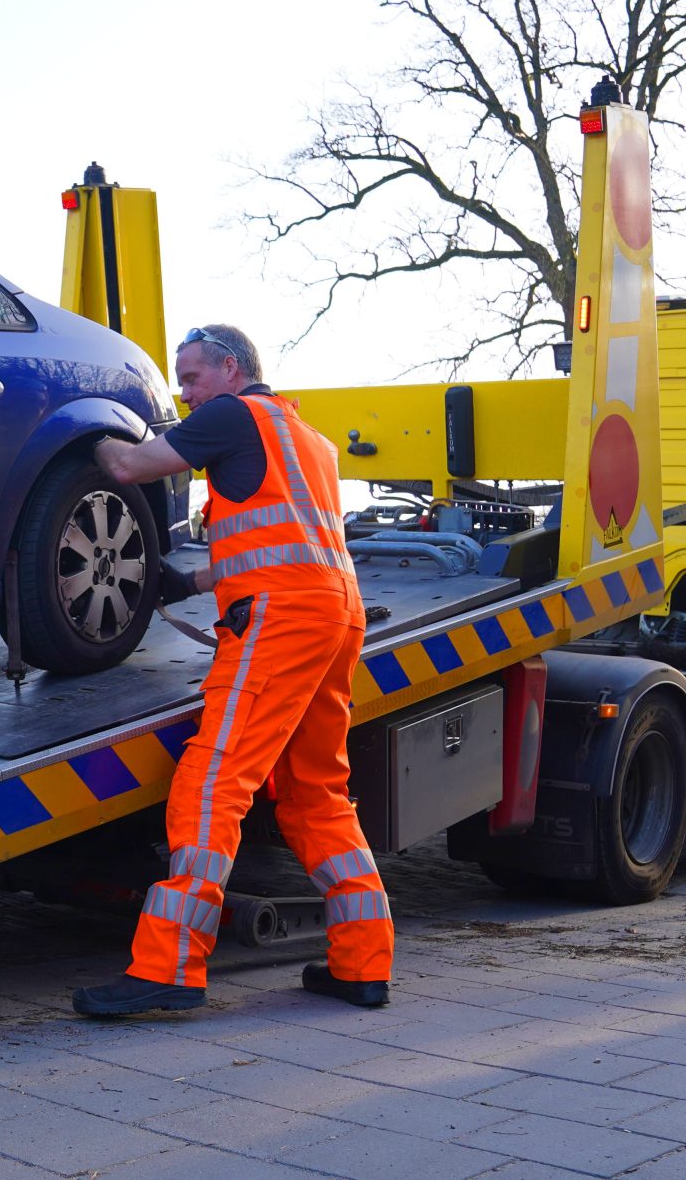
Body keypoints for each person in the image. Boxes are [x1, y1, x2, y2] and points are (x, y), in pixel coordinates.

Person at [72, 324, 394, 1016]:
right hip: (336, 613)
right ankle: (363, 962)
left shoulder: (230, 415)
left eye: (190, 378)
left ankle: (168, 964)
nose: (184, 394)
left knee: (212, 782)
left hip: (280, 618)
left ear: (230, 366)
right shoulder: (308, 439)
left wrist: (74, 433)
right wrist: (184, 585)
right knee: (316, 792)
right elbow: (273, 544)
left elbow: (127, 467)